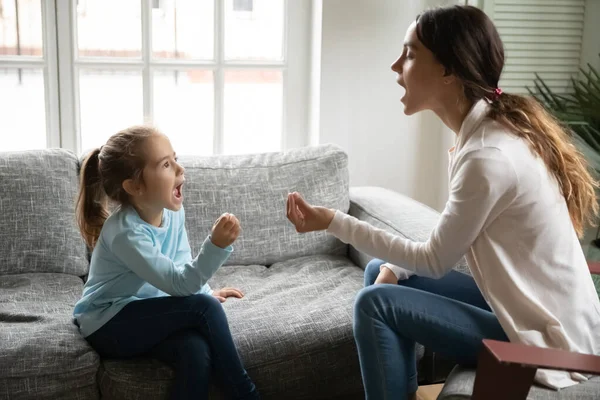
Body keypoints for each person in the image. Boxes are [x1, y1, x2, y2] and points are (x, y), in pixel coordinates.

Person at [286, 5, 600, 400]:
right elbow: (448, 241)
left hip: (552, 345)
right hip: (533, 316)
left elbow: (435, 259)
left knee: (375, 304)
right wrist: (396, 268)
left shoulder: (488, 155)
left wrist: (334, 220)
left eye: (410, 53)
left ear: (449, 70)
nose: (395, 64)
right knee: (380, 275)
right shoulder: (484, 135)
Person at [73, 125, 259, 400]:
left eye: (176, 159)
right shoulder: (125, 233)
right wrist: (216, 247)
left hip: (142, 314)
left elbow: (181, 263)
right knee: (203, 310)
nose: (180, 170)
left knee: (195, 350)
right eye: (166, 164)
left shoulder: (172, 213)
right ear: (134, 186)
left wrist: (207, 292)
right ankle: (247, 394)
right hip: (107, 325)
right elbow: (178, 283)